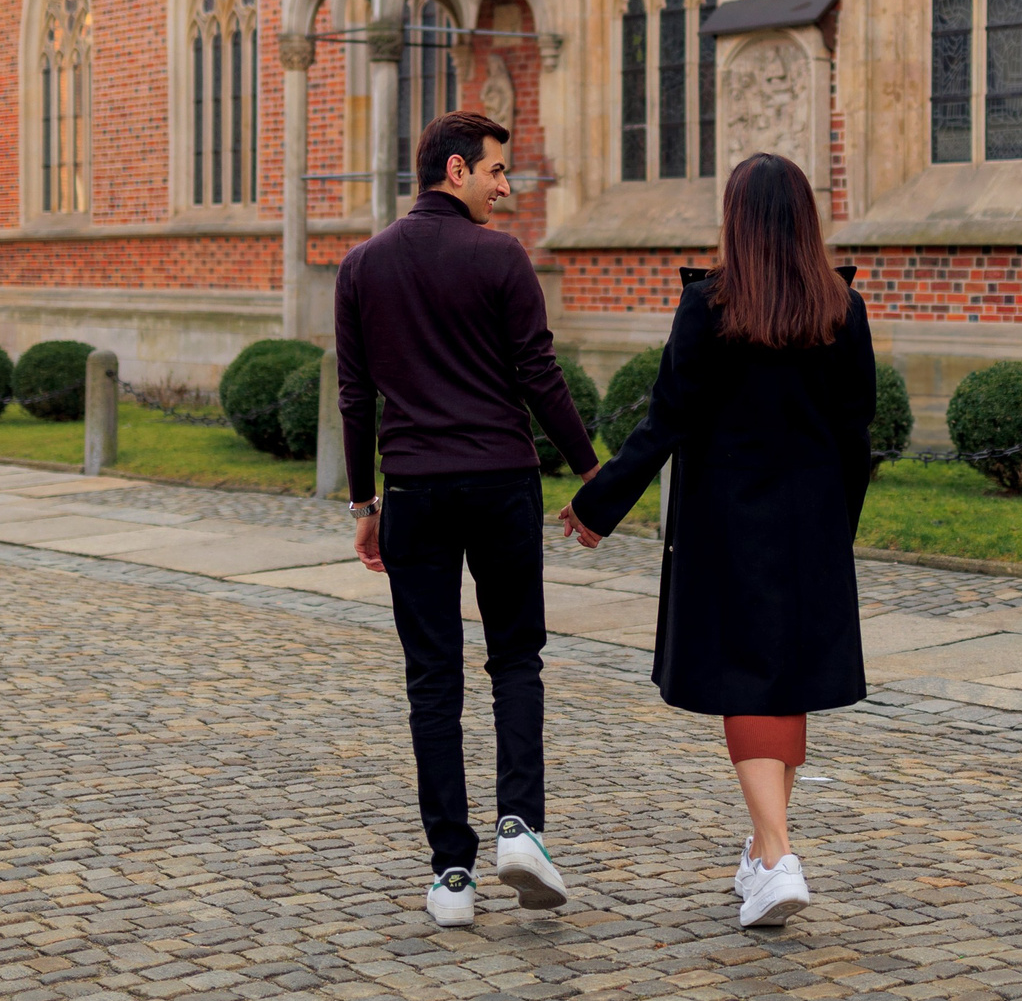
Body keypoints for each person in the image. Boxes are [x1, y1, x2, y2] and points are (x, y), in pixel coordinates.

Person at [560, 152, 874, 929]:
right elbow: (856, 434)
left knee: (750, 680)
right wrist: (841, 526)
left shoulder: (709, 307)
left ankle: (775, 855)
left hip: (729, 525)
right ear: (805, 219)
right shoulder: (842, 308)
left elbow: (666, 419)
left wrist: (597, 504)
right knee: (782, 681)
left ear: (735, 219)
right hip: (810, 523)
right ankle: (763, 848)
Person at [337, 108, 603, 929]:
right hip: (500, 483)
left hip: (413, 491)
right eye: (496, 170)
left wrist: (364, 502)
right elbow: (539, 377)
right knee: (516, 661)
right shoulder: (500, 257)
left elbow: (355, 397)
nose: (505, 185)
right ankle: (520, 826)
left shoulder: (361, 266)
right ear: (455, 170)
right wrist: (593, 471)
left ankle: (452, 874)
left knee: (432, 681)